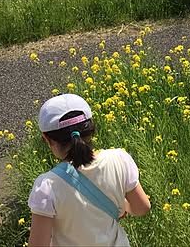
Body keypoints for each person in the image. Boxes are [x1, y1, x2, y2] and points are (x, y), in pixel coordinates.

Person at [28, 93, 151, 247]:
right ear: (91, 129)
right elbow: (142, 207)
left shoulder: (47, 185)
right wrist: (123, 207)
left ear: (47, 139)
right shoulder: (120, 159)